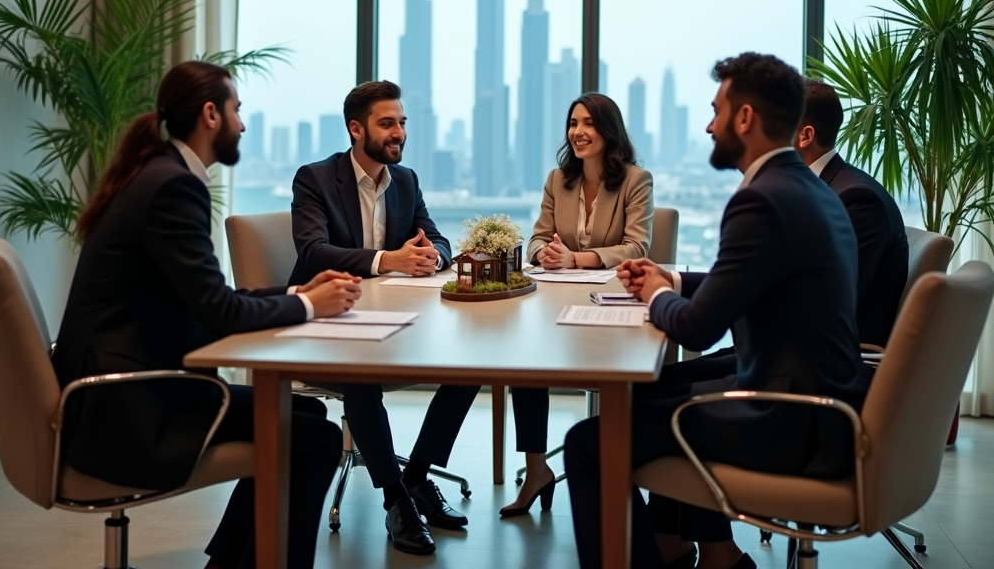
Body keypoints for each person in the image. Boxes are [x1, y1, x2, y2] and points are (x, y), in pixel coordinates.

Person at [563, 53, 872, 569]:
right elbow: (748, 282)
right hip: (824, 404)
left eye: (716, 111)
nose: (709, 125)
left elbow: (698, 327)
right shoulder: (808, 189)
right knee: (643, 398)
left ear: (745, 118)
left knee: (587, 444)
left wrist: (655, 296)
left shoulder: (760, 199)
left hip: (787, 419)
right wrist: (672, 279)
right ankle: (691, 550)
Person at [53, 61, 362, 569]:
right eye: (237, 110)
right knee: (319, 438)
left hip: (117, 389)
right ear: (210, 114)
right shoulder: (174, 186)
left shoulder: (155, 173)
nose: (243, 123)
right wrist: (310, 305)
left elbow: (206, 295)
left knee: (304, 412)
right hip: (126, 407)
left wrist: (297, 289)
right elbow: (219, 310)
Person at [288, 80, 481, 556]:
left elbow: (437, 239)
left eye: (402, 123)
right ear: (357, 130)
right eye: (387, 124)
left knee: (474, 365)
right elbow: (313, 252)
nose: (399, 133)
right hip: (331, 320)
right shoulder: (314, 179)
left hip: (395, 320)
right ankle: (396, 501)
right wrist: (386, 260)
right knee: (361, 377)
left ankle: (415, 478)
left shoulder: (406, 180)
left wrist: (430, 256)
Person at [502, 92, 653, 518]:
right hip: (554, 305)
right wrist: (543, 254)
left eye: (588, 123)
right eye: (573, 123)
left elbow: (638, 246)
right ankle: (536, 469)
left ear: (608, 131)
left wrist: (578, 258)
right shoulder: (557, 180)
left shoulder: (636, 180)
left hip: (611, 310)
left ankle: (619, 475)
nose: (578, 132)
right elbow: (536, 237)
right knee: (526, 363)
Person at [795, 78, 909, 348]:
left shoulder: (857, 200)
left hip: (818, 368)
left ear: (805, 136)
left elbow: (824, 309)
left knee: (676, 386)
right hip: (784, 351)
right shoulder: (819, 189)